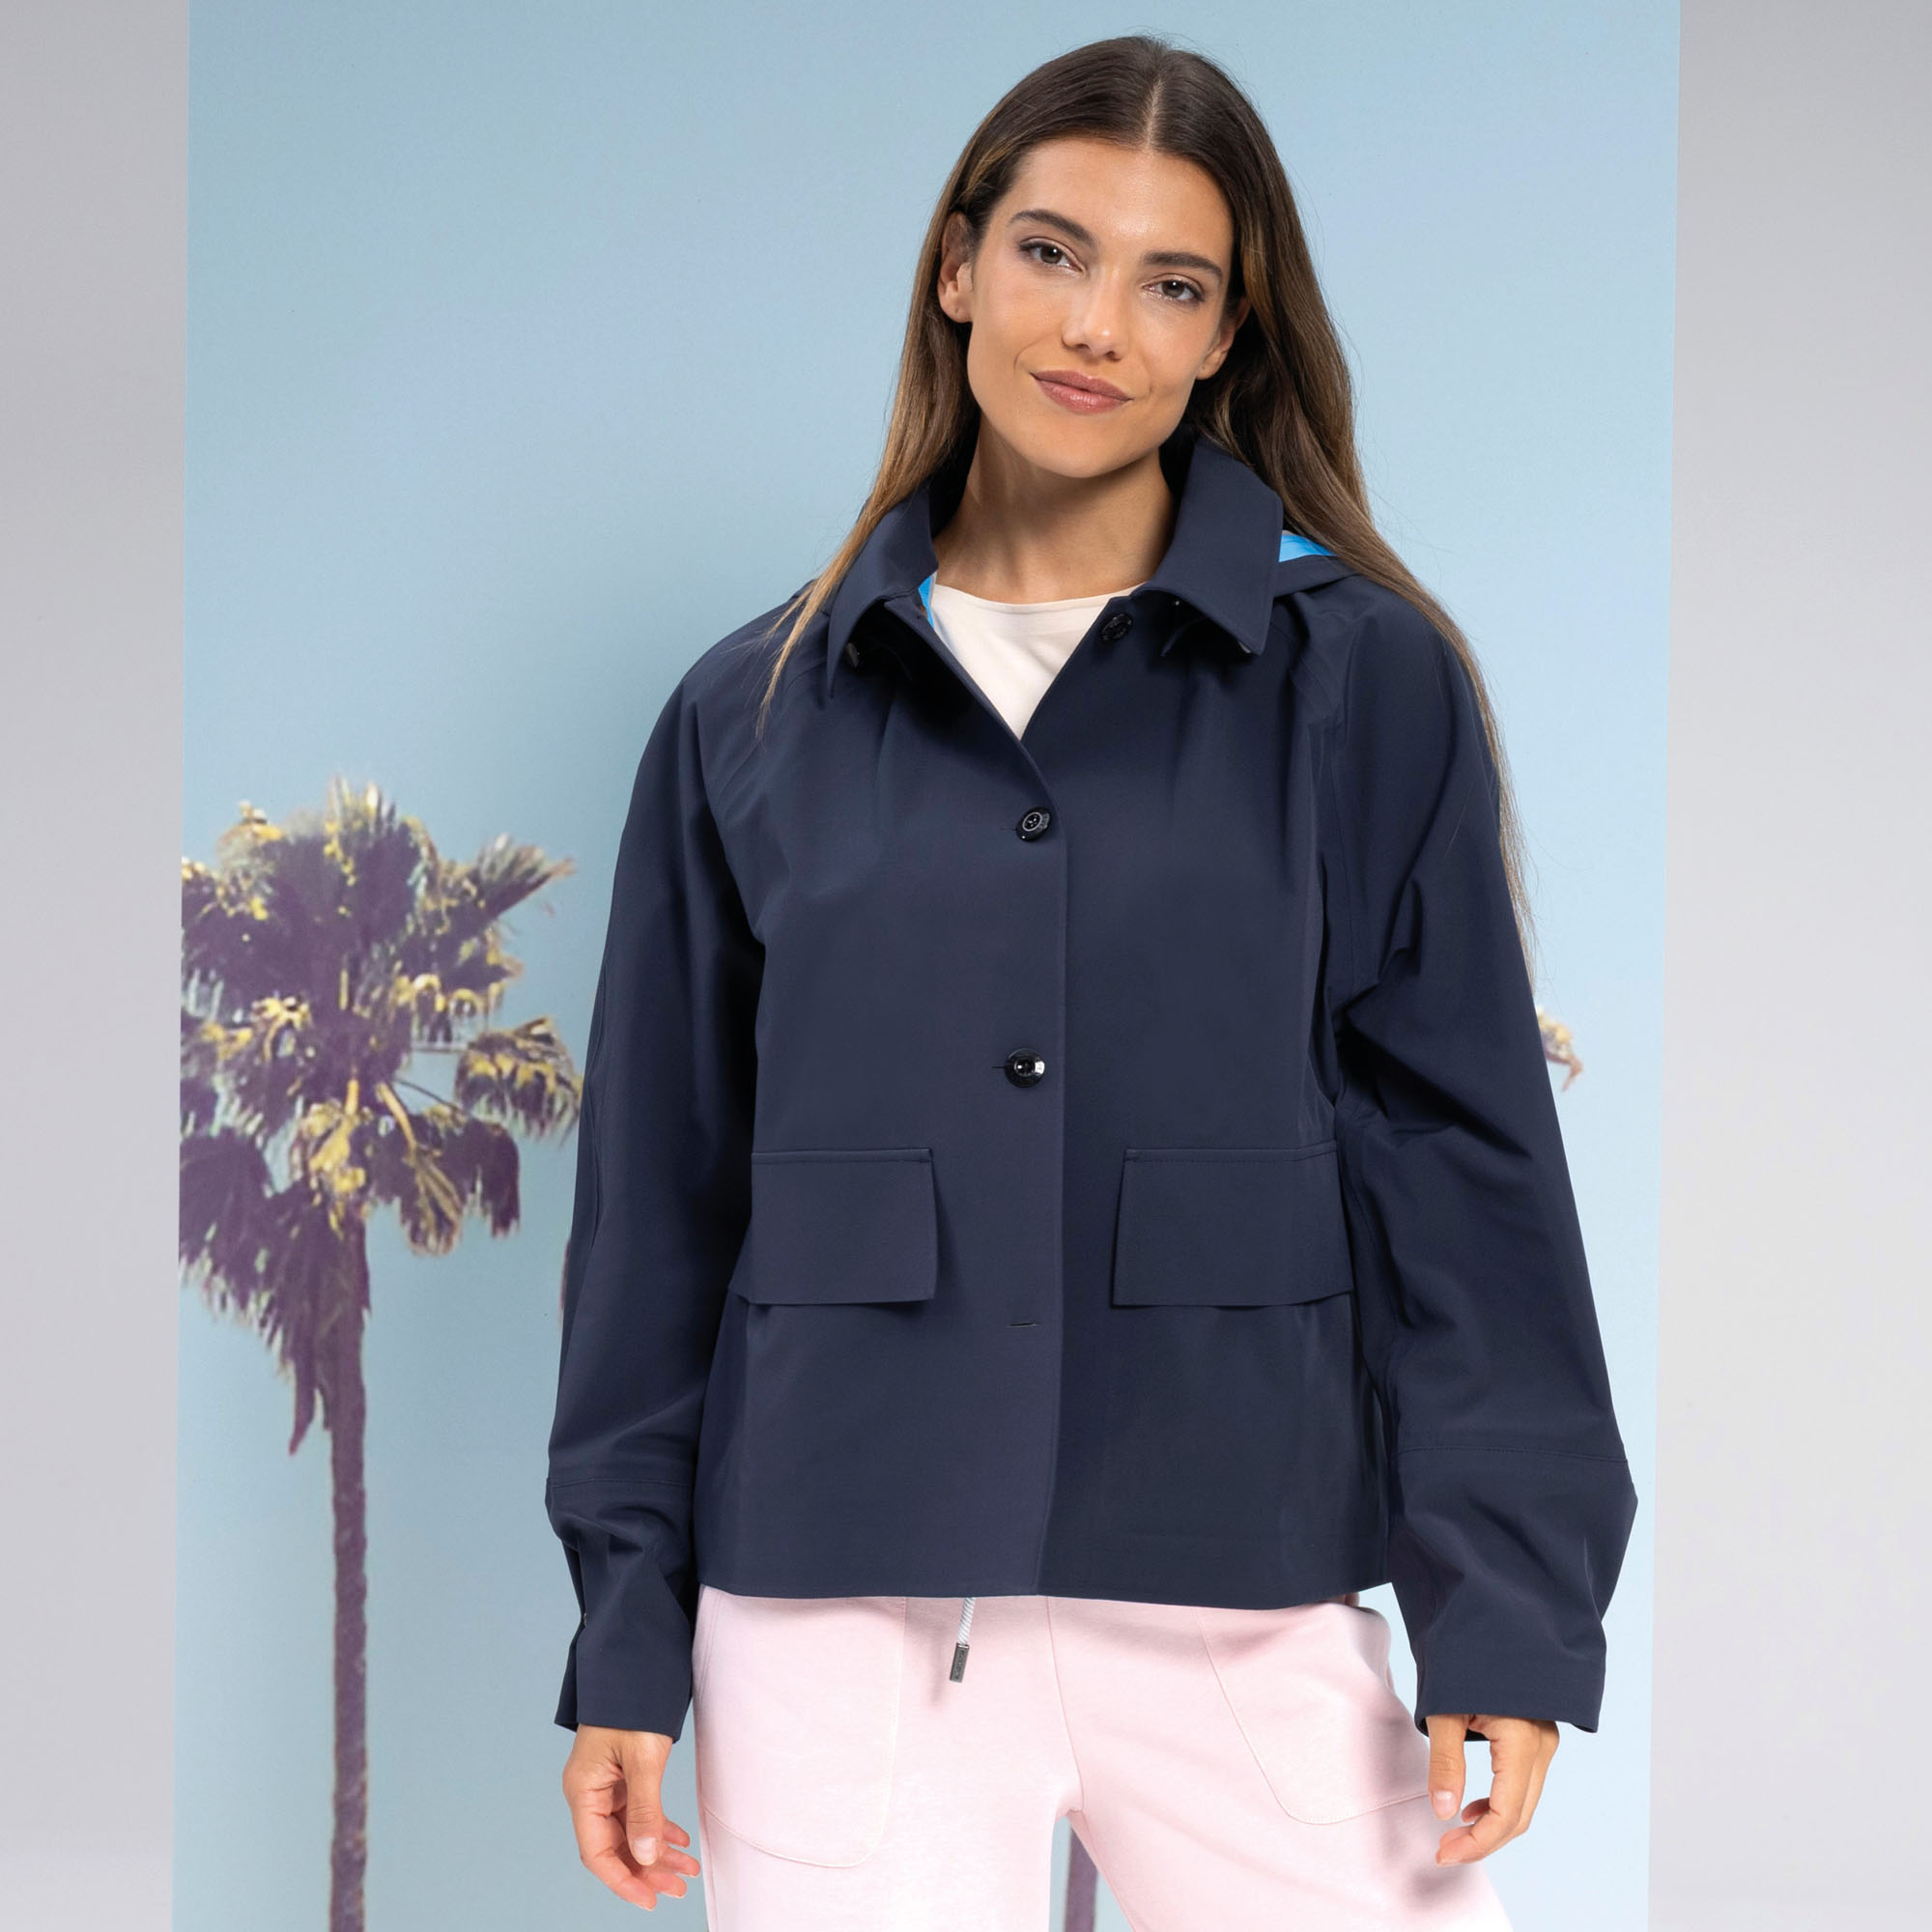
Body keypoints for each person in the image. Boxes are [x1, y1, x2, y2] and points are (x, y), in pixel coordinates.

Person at [545, 32, 1637, 1929]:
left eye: (1172, 282)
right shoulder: (750, 715)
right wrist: (627, 1638)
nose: (1096, 327)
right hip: (835, 1616)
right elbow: (658, 1208)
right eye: (1052, 252)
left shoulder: (1363, 683)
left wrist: (1510, 1607)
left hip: (1241, 1585)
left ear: (1228, 334)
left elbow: (1465, 1169)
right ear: (958, 265)